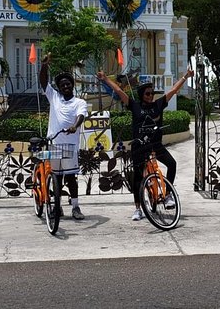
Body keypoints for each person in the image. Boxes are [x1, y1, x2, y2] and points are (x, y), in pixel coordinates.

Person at [97, 68, 194, 221]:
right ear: (142, 95)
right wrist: (105, 79)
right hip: (139, 146)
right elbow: (119, 91)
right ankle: (137, 209)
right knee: (138, 178)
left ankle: (168, 194)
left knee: (172, 164)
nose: (150, 96)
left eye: (152, 93)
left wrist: (185, 76)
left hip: (155, 145)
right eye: (148, 93)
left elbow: (174, 89)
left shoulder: (158, 104)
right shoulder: (135, 106)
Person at [40, 54, 88, 220]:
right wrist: (44, 65)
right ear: (59, 88)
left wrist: (75, 126)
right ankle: (57, 207)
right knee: (56, 178)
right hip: (54, 145)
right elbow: (44, 82)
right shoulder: (54, 98)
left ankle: (75, 207)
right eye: (62, 85)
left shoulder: (79, 102)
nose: (66, 86)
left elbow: (81, 116)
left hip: (70, 146)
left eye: (68, 84)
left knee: (71, 178)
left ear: (72, 86)